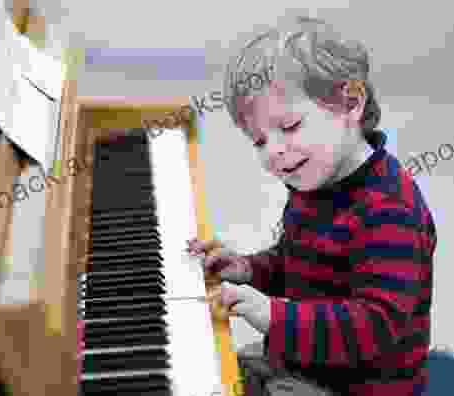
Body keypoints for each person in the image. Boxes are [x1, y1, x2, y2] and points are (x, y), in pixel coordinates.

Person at [187, 16, 437, 396]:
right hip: (313, 365)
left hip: (364, 386)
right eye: (258, 141)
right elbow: (298, 259)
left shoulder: (388, 211)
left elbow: (374, 327)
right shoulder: (315, 178)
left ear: (351, 103)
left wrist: (273, 314)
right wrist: (248, 268)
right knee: (209, 372)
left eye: (289, 128)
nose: (274, 152)